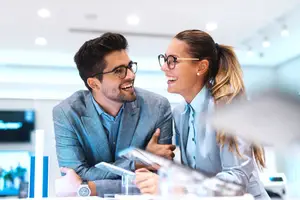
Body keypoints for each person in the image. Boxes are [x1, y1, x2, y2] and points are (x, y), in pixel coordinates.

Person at [135, 29, 270, 200]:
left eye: (173, 61)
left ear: (201, 67)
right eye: (164, 59)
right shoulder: (179, 112)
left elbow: (237, 179)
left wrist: (174, 187)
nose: (164, 67)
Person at [53, 32, 175, 196]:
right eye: (119, 71)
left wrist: (91, 187)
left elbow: (158, 180)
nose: (131, 75)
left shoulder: (158, 107)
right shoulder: (67, 113)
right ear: (94, 83)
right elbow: (74, 177)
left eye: (130, 66)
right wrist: (139, 163)